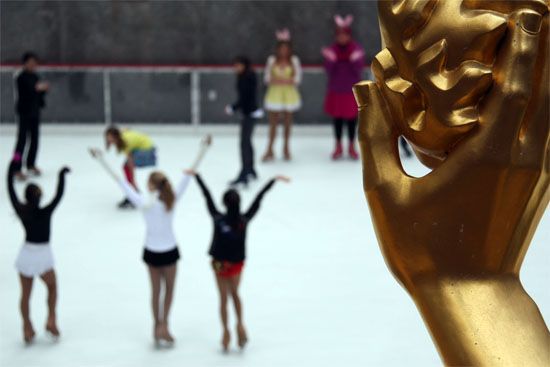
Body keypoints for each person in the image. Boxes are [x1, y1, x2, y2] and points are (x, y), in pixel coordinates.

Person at [89, 148, 192, 346]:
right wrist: (200, 156)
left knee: (155, 291)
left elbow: (121, 182)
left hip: (152, 251)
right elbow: (186, 179)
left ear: (152, 186)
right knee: (168, 290)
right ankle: (164, 325)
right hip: (169, 251)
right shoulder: (172, 199)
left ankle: (158, 326)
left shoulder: (143, 201)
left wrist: (101, 159)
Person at [188, 170, 289, 352]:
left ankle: (226, 331)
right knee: (235, 294)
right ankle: (240, 325)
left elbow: (207, 197)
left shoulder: (219, 219)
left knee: (223, 298)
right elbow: (259, 199)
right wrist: (272, 180)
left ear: (224, 204)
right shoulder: (244, 221)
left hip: (219, 263)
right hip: (235, 264)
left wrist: (197, 177)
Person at [7, 156, 70, 343]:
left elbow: (10, 190)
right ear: (39, 197)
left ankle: (27, 327)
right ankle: (51, 319)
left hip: (26, 254)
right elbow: (58, 196)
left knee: (25, 295)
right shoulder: (46, 211)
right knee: (52, 287)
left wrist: (11, 170)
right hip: (43, 255)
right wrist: (61, 175)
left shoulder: (22, 211)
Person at [322, 15, 365, 160]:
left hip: (350, 91)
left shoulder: (355, 49)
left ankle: (352, 146)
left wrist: (354, 60)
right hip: (336, 90)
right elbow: (328, 70)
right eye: (339, 35)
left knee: (352, 120)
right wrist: (331, 61)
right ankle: (338, 146)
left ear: (349, 35)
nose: (342, 38)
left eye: (344, 35)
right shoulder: (332, 50)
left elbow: (359, 68)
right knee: (338, 120)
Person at [262, 28, 302, 162]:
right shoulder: (272, 60)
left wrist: (287, 80)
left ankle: (286, 148)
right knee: (273, 123)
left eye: (286, 49)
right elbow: (267, 78)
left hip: (289, 95)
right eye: (281, 48)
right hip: (275, 94)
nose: (283, 51)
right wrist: (280, 80)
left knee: (287, 123)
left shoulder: (294, 61)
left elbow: (297, 79)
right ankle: (270, 148)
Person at [225, 56, 261, 187]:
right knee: (247, 142)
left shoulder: (247, 78)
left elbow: (245, 98)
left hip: (250, 113)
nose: (236, 68)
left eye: (238, 65)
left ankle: (245, 172)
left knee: (244, 143)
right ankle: (250, 169)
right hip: (249, 112)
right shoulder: (245, 77)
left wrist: (233, 108)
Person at [12, 52, 49, 180]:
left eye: (35, 62)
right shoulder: (20, 77)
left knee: (35, 139)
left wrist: (43, 90)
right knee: (21, 141)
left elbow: (38, 94)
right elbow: (27, 92)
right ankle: (15, 167)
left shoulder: (35, 76)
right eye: (31, 62)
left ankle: (30, 164)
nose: (33, 64)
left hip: (35, 112)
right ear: (25, 63)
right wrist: (37, 89)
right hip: (24, 112)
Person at [104, 126, 157, 209]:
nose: (109, 140)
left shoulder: (125, 142)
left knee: (127, 168)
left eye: (111, 138)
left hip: (147, 152)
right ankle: (133, 193)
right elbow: (127, 129)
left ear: (116, 136)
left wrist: (132, 182)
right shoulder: (121, 135)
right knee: (125, 168)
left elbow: (130, 163)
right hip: (145, 147)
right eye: (107, 137)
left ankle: (133, 194)